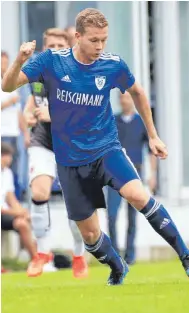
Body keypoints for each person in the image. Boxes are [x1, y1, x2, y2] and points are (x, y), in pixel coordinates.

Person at [1, 8, 189, 286]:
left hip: (106, 150)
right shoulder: (50, 62)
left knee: (138, 196)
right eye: (94, 40)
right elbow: (8, 87)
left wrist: (153, 135)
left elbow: (138, 92)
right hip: (70, 162)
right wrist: (19, 59)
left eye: (104, 39)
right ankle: (117, 266)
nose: (100, 46)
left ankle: (186, 256)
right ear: (77, 37)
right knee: (90, 235)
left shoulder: (113, 65)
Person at [23, 28, 88, 278]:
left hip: (72, 145)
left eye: (60, 45)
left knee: (77, 207)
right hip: (42, 141)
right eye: (50, 45)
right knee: (39, 192)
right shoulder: (37, 72)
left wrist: (56, 116)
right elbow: (34, 102)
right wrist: (28, 114)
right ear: (44, 48)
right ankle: (41, 254)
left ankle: (79, 256)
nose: (55, 50)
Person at [106, 92, 157, 265]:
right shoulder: (112, 121)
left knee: (132, 217)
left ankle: (130, 255)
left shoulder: (140, 123)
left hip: (135, 174)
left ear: (133, 101)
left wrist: (152, 175)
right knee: (112, 215)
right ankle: (114, 255)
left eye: (127, 98)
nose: (124, 101)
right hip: (114, 174)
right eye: (121, 98)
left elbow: (151, 151)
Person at [1, 143, 38, 265]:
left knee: (28, 220)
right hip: (3, 213)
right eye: (8, 156)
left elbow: (11, 199)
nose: (10, 159)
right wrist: (16, 212)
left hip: (6, 213)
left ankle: (35, 255)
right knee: (22, 224)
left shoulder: (7, 173)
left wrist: (22, 212)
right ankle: (36, 259)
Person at [1, 51, 30, 198]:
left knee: (14, 168)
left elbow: (19, 114)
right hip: (2, 133)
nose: (4, 66)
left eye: (6, 63)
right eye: (2, 63)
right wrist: (8, 102)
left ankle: (16, 200)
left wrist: (25, 134)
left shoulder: (13, 84)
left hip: (13, 133)